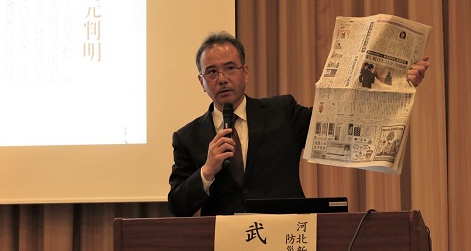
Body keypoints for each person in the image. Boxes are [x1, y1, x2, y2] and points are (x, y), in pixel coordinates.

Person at [168, 31, 429, 217]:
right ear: (201, 81)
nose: (222, 78)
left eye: (230, 68)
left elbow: (340, 125)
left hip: (286, 241)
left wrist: (398, 87)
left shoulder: (281, 112)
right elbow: (178, 206)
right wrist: (207, 171)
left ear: (245, 73)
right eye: (212, 72)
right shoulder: (188, 137)